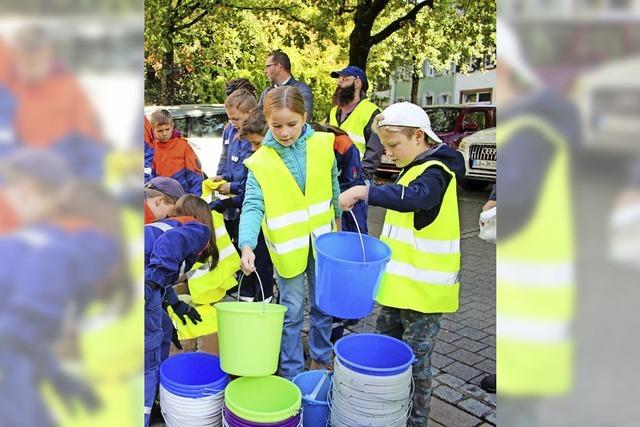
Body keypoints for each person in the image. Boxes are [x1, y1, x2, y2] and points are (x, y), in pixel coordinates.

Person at [339, 102, 465, 426]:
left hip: (425, 295)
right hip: (399, 290)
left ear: (419, 136)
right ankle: (385, 411)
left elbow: (416, 197)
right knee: (384, 349)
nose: (389, 154)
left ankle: (415, 421)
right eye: (385, 147)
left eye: (393, 145)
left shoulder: (438, 171)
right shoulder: (414, 168)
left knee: (415, 363)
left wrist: (365, 191)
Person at [239, 86, 341, 379]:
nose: (284, 133)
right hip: (288, 250)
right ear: (267, 122)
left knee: (324, 304)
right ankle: (292, 369)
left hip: (323, 243)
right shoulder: (260, 161)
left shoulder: (323, 145)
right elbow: (252, 206)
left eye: (292, 124)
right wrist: (247, 245)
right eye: (277, 126)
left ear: (305, 117)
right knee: (292, 311)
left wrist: (338, 220)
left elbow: (333, 185)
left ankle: (321, 358)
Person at [144, 194, 218, 427]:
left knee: (164, 326)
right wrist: (151, 284)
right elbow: (166, 249)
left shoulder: (162, 226)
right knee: (147, 357)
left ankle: (155, 397)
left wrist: (175, 304)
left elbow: (157, 264)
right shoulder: (198, 228)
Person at [6, 25, 106, 180]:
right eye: (24, 54)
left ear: (48, 53)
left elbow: (92, 146)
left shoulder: (71, 90)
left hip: (63, 183)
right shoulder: (9, 92)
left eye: (35, 53)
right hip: (18, 182)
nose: (30, 60)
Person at [214, 106, 274, 302]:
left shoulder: (269, 163)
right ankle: (247, 299)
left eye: (257, 143)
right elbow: (250, 195)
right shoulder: (256, 159)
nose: (252, 148)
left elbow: (250, 196)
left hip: (269, 229)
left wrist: (225, 203)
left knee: (263, 269)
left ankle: (265, 303)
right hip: (253, 223)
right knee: (250, 262)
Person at [212, 89, 257, 241]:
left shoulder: (255, 136)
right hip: (229, 198)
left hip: (245, 199)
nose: (232, 123)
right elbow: (224, 157)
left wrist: (232, 186)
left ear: (249, 113)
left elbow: (247, 173)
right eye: (230, 119)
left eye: (236, 119)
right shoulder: (229, 129)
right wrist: (221, 177)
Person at [329, 65, 383, 181]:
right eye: (339, 80)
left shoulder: (371, 112)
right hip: (333, 176)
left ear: (357, 83)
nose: (340, 83)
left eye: (345, 79)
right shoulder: (333, 112)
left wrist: (359, 178)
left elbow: (374, 152)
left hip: (357, 178)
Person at [148, 109, 204, 196]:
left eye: (167, 129)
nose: (164, 133)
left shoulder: (183, 146)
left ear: (172, 126)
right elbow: (148, 177)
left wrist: (193, 200)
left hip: (182, 198)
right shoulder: (150, 148)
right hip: (160, 200)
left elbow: (195, 174)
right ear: (152, 129)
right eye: (160, 131)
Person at [258, 50, 314, 121]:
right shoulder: (266, 92)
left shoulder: (301, 90)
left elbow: (305, 119)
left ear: (279, 66)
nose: (265, 71)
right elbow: (257, 120)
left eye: (268, 66)